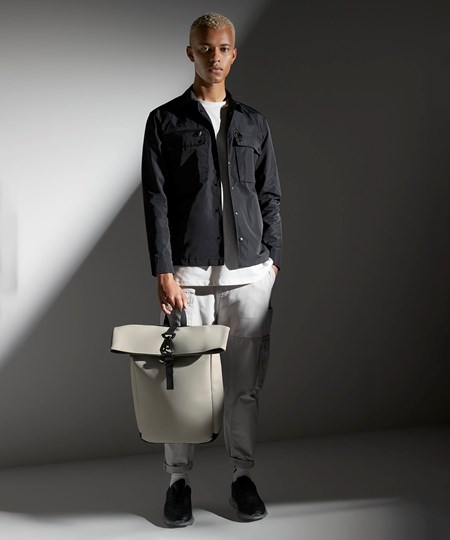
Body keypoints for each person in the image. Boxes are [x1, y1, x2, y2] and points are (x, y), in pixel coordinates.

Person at [141, 12, 282, 527]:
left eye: (223, 49)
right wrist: (164, 270)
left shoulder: (254, 123)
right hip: (189, 276)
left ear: (234, 54)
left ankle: (242, 477)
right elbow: (156, 201)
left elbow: (269, 194)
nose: (214, 57)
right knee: (182, 383)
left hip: (249, 277)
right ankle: (177, 482)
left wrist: (273, 260)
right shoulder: (164, 121)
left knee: (244, 388)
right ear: (190, 53)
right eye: (205, 48)